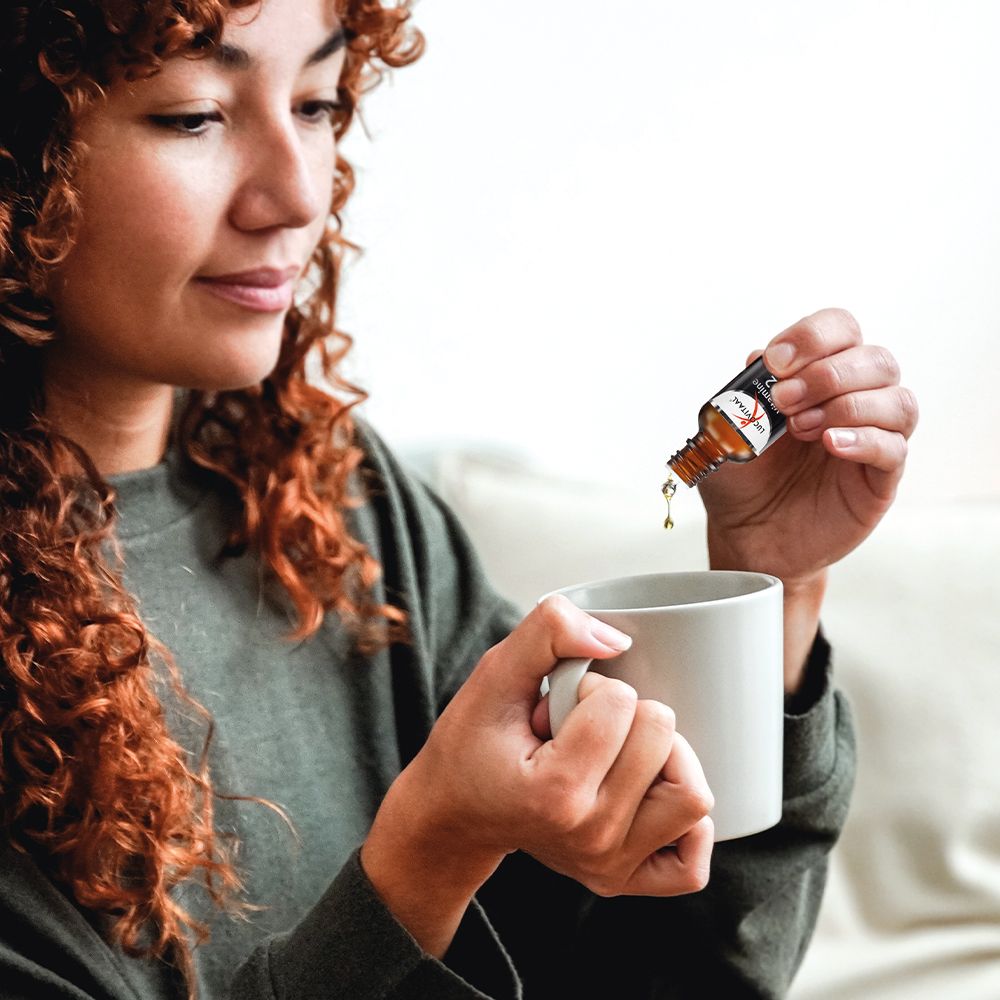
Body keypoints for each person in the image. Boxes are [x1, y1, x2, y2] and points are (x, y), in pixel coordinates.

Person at [0, 1, 918, 998]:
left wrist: (767, 590)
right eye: (193, 116)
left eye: (315, 103)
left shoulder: (334, 504)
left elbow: (664, 975)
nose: (298, 194)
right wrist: (429, 855)